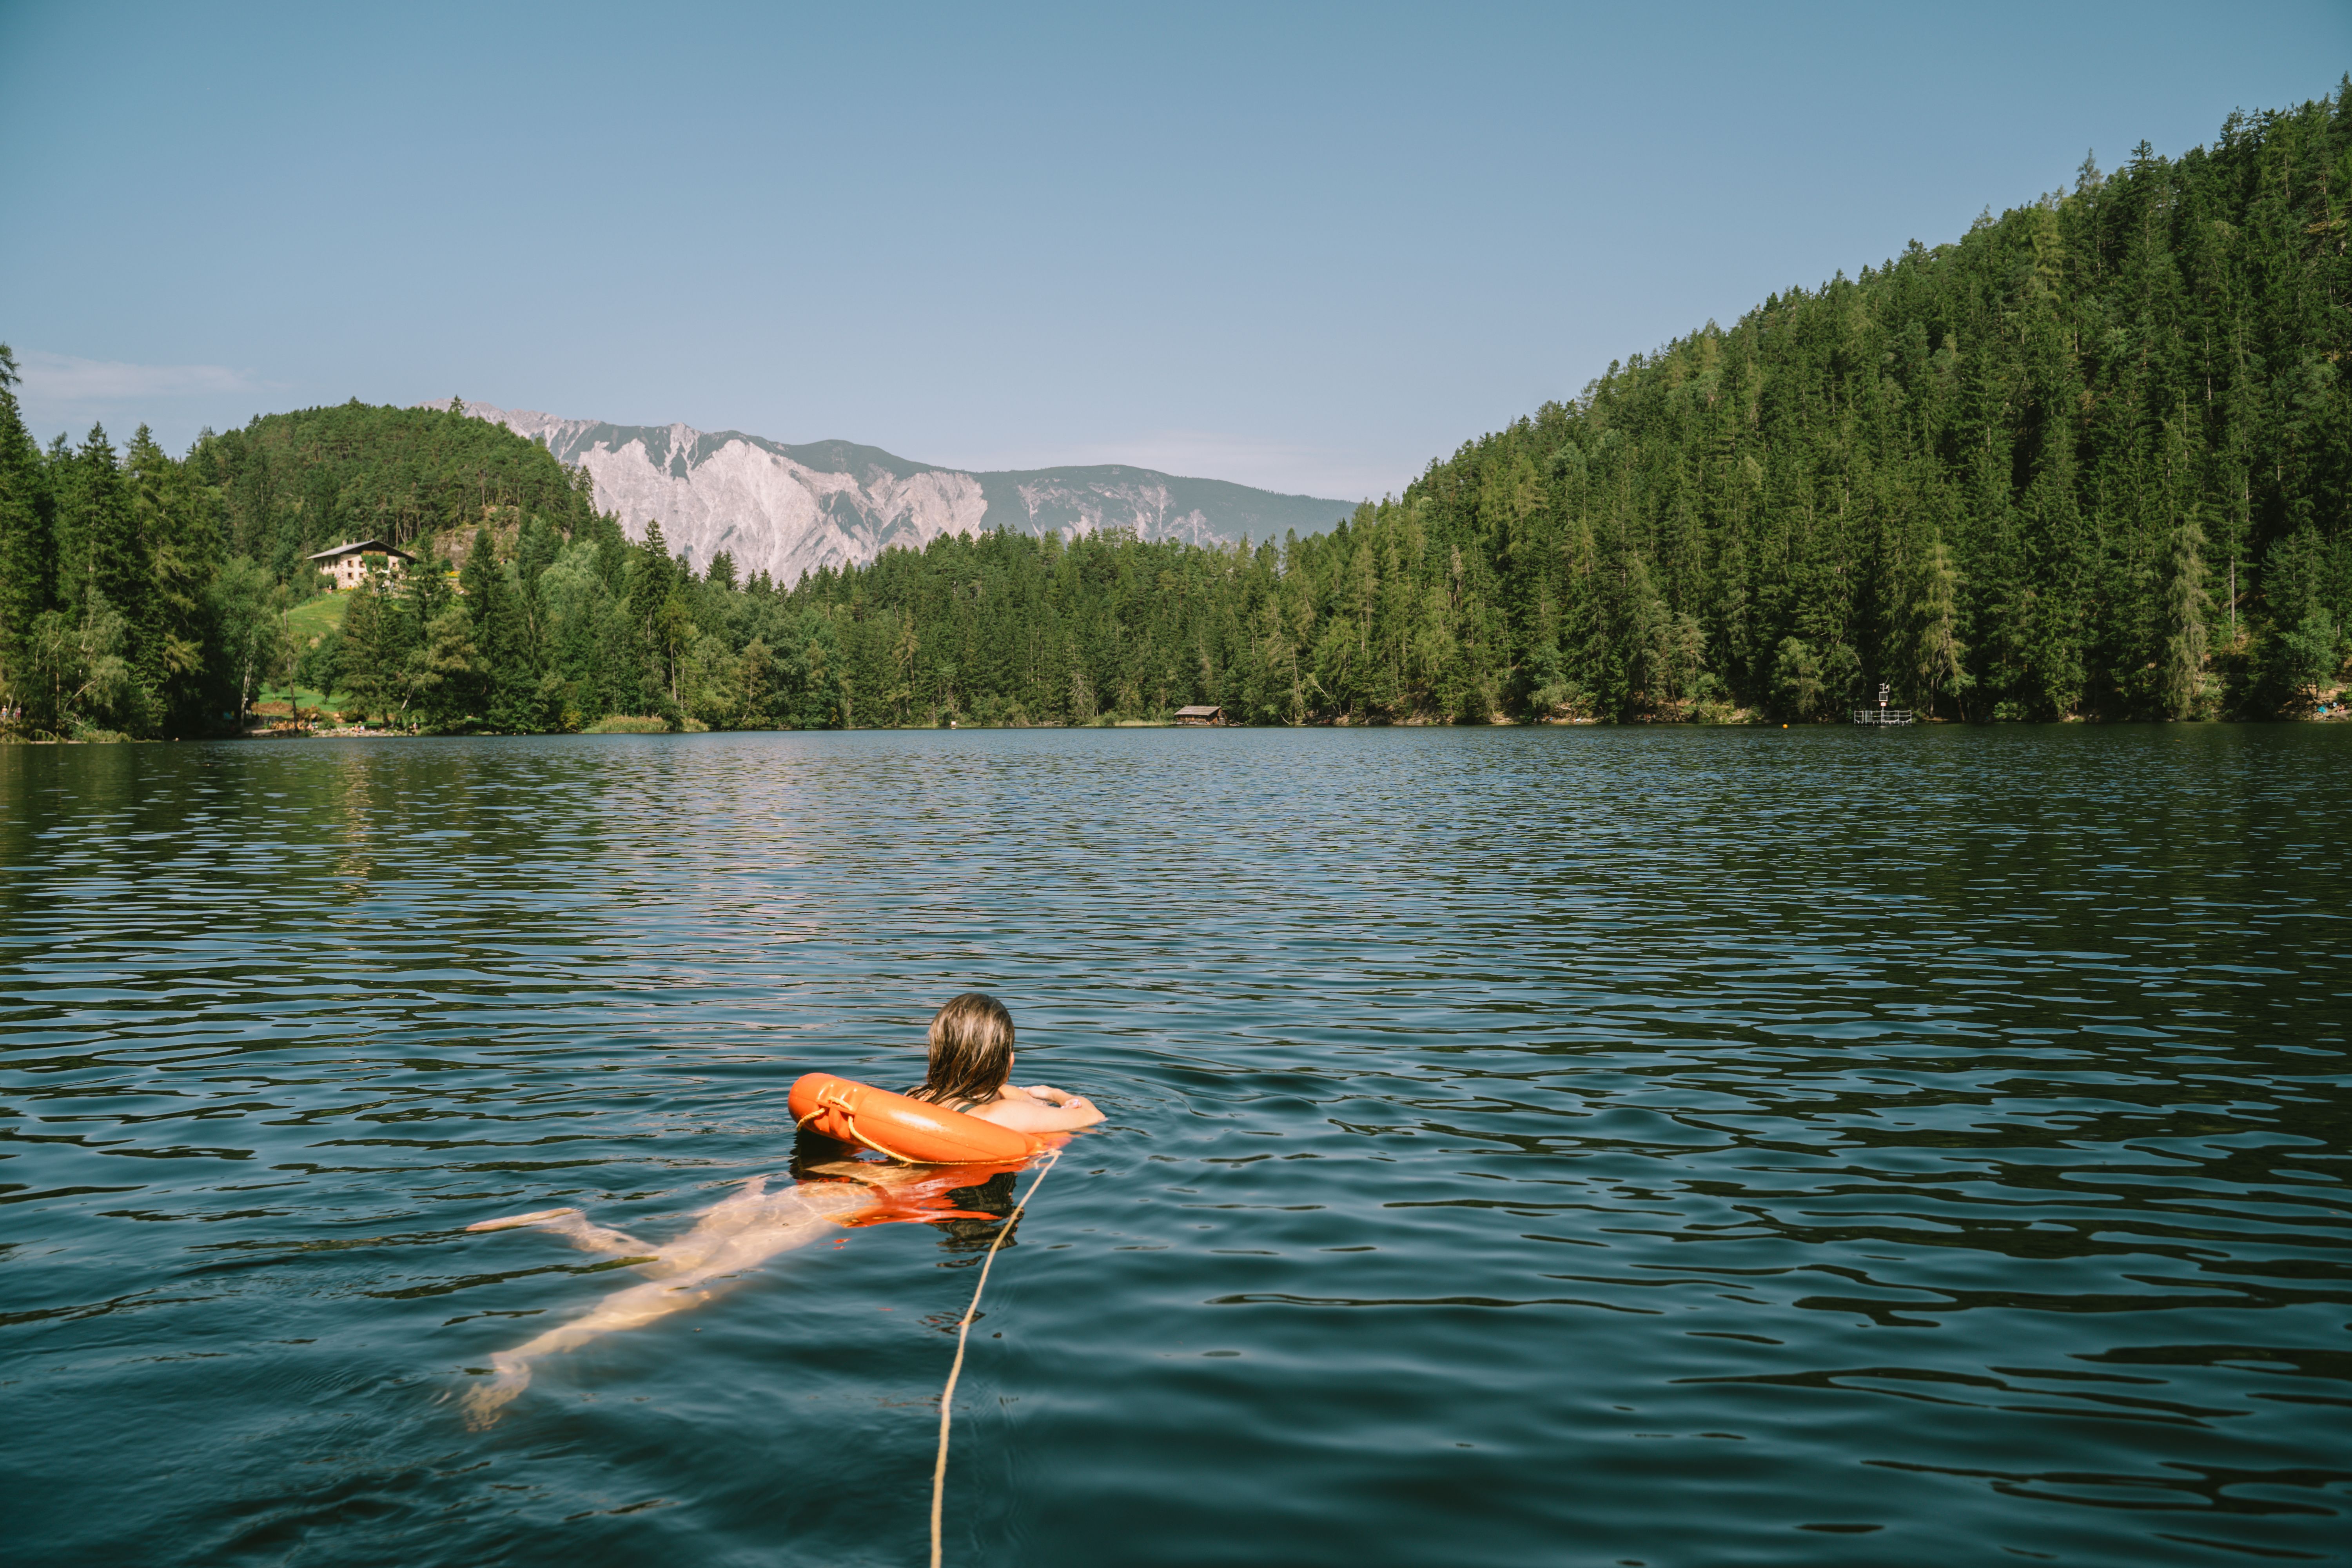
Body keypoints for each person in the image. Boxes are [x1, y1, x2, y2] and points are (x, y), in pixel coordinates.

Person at [905, 992, 1104, 1132]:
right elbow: (1093, 1116)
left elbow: (1001, 1093)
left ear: (937, 1053)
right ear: (1007, 1061)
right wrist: (1055, 1094)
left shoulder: (917, 1096)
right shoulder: (1005, 1115)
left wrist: (1027, 1095)